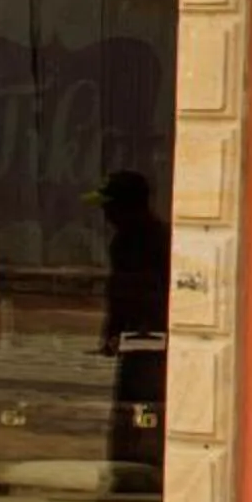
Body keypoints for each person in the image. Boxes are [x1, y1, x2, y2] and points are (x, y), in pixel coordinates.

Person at [87, 170, 168, 479]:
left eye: (110, 206)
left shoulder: (145, 241)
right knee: (130, 410)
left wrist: (116, 331)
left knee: (141, 409)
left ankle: (139, 473)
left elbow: (132, 294)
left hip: (149, 345)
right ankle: (127, 470)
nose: (106, 213)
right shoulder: (128, 240)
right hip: (134, 343)